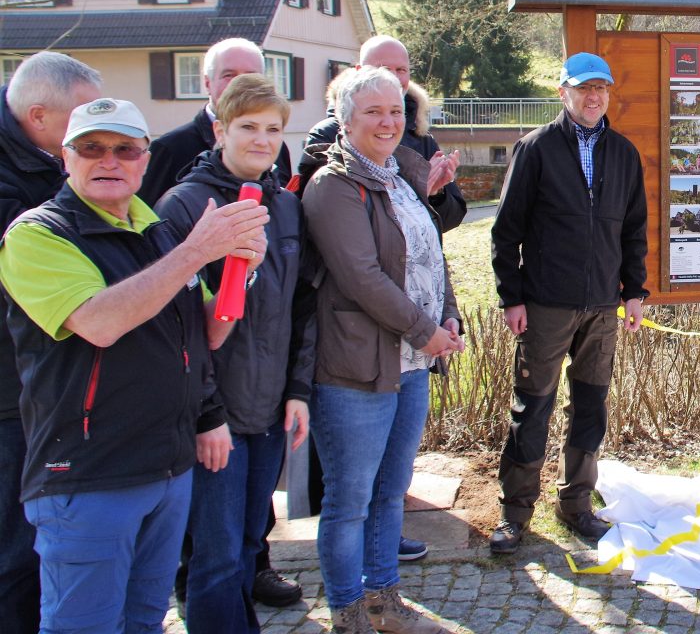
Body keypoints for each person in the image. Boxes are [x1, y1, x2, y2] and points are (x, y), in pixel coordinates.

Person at [0, 97, 268, 633]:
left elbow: (207, 332)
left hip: (167, 469)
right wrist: (197, 252)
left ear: (145, 160)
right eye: (91, 148)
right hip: (89, 476)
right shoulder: (37, 234)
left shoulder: (156, 230)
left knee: (145, 620)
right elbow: (99, 323)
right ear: (66, 158)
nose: (109, 160)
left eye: (125, 149)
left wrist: (243, 270)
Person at [302, 67, 462, 634]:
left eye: (395, 111)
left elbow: (429, 255)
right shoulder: (332, 187)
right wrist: (425, 330)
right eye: (372, 112)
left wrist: (447, 314)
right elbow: (363, 277)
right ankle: (347, 611)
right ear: (345, 120)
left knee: (390, 493)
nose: (388, 122)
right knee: (349, 500)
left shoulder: (399, 177)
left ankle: (384, 603)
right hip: (354, 369)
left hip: (410, 366)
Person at [154, 76, 314, 633]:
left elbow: (301, 309)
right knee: (215, 556)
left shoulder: (286, 206)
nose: (262, 139)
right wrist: (206, 414)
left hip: (269, 411)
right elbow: (174, 330)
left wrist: (298, 391)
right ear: (220, 129)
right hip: (214, 419)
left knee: (250, 544)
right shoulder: (184, 207)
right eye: (248, 127)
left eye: (273, 129)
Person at [489, 51, 648, 554]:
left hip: (602, 305)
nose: (593, 97)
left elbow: (634, 231)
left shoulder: (624, 154)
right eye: (583, 88)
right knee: (531, 406)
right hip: (544, 305)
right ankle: (515, 513)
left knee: (590, 407)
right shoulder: (535, 149)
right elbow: (505, 230)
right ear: (564, 92)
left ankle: (576, 503)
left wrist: (635, 291)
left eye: (601, 88)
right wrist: (511, 297)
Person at [0, 52, 102, 634]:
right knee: (16, 551)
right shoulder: (20, 193)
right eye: (83, 124)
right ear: (39, 116)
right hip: (13, 392)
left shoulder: (42, 159)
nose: (96, 140)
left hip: (52, 383)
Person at [304, 35, 465, 237]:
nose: (394, 78)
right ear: (358, 71)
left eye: (401, 70)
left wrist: (436, 194)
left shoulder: (421, 136)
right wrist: (415, 195)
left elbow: (451, 220)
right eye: (383, 69)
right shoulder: (327, 135)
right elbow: (328, 223)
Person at [140, 38, 293, 206]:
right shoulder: (170, 149)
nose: (240, 84)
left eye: (250, 76)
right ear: (207, 83)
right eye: (229, 75)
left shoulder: (276, 148)